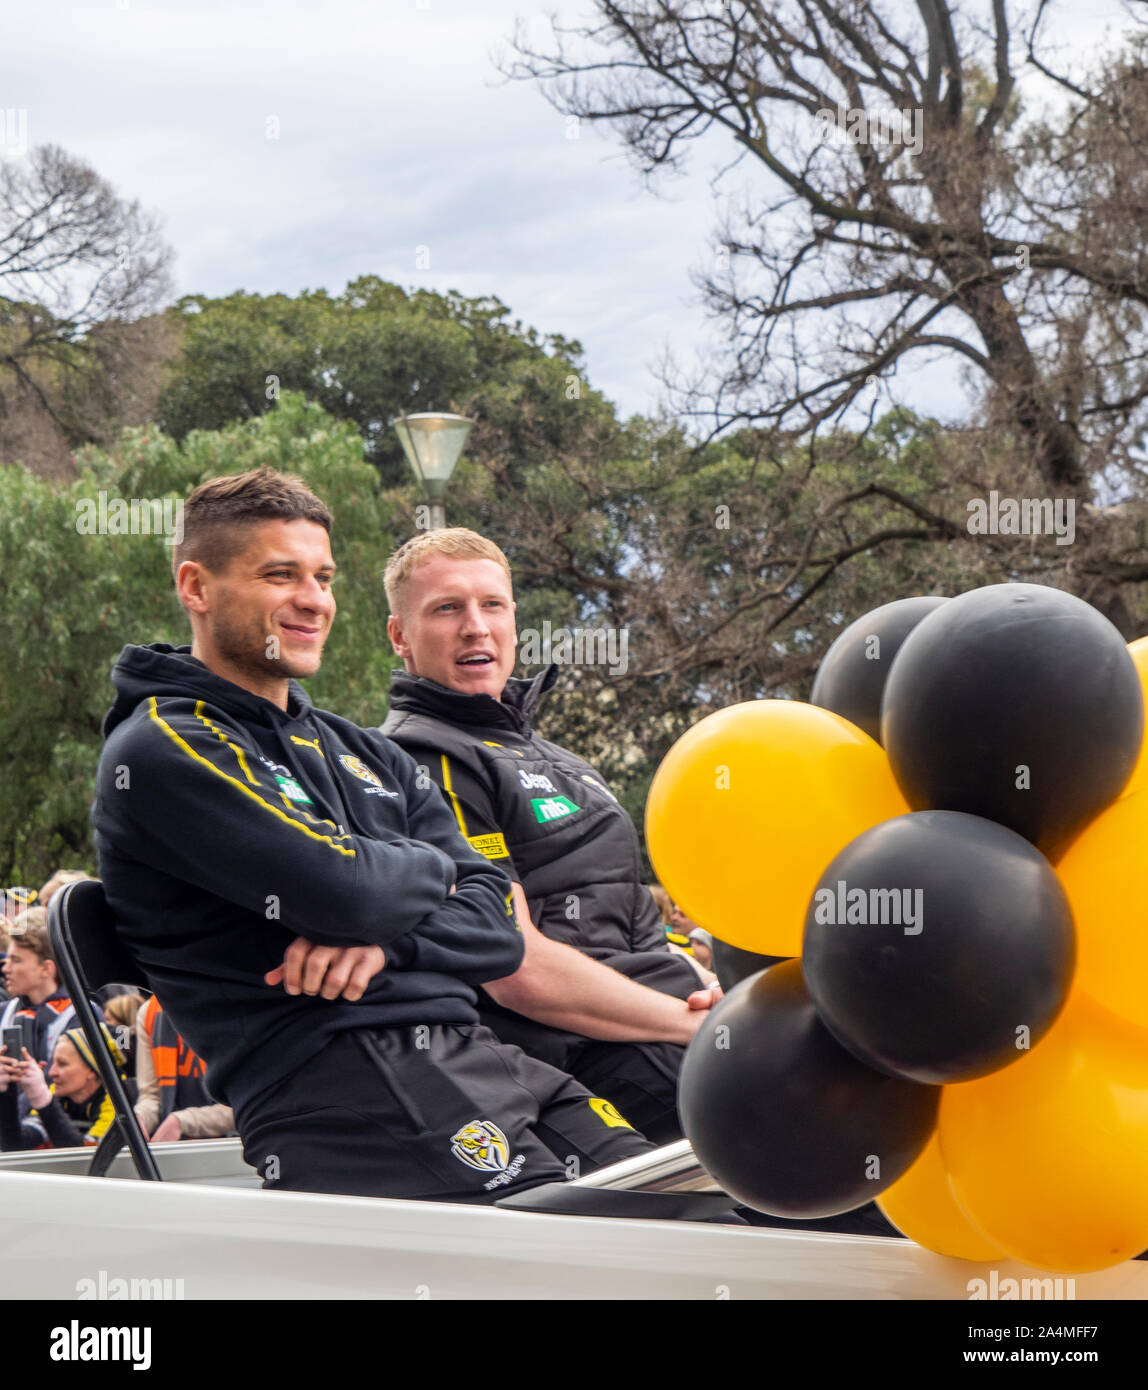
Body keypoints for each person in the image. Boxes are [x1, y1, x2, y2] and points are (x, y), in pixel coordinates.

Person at [91, 466, 658, 1202]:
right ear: (195, 587)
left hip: (475, 1056)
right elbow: (346, 890)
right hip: (342, 1085)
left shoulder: (360, 749)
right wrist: (421, 871)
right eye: (279, 575)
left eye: (323, 578)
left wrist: (384, 934)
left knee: (692, 1218)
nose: (312, 601)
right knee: (628, 1260)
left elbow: (496, 923)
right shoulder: (165, 746)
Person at [381, 529, 719, 1143]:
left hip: (665, 1025)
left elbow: (639, 920)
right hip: (586, 1055)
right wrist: (684, 1022)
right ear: (400, 636)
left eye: (493, 604)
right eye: (447, 608)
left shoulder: (565, 761)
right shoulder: (418, 759)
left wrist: (704, 989)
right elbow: (515, 969)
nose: (476, 627)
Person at [0, 909, 102, 1068]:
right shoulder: (4, 1012)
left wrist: (39, 1091)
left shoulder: (82, 1016)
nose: (6, 969)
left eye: (16, 960)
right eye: (7, 960)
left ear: (46, 969)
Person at [0, 1024, 126, 1150]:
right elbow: (16, 1144)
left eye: (62, 1064)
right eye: (53, 1063)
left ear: (92, 1070)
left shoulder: (120, 1102)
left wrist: (44, 1102)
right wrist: (5, 1090)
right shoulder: (56, 1093)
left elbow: (85, 1161)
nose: (51, 1072)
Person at [134, 995, 235, 1141]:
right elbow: (151, 1096)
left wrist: (183, 1121)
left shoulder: (231, 1004)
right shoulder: (148, 1012)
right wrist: (138, 1118)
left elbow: (248, 1105)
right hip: (180, 1149)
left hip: (236, 1145)